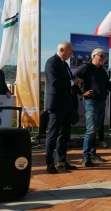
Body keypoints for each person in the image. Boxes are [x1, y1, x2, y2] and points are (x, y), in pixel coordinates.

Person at [73, 48, 111, 167]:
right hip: (91, 103)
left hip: (101, 103)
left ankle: (92, 154)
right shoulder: (86, 67)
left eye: (105, 56)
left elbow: (108, 86)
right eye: (101, 56)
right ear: (94, 56)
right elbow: (73, 78)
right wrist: (81, 92)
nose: (104, 58)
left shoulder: (103, 71)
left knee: (96, 130)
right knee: (91, 129)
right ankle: (85, 156)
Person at [45, 41, 81, 174]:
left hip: (67, 104)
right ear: (61, 49)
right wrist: (72, 82)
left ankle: (61, 160)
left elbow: (69, 82)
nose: (71, 54)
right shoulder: (51, 62)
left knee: (65, 134)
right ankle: (49, 163)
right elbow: (55, 82)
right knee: (53, 134)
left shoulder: (65, 64)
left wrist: (75, 82)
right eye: (70, 51)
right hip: (56, 104)